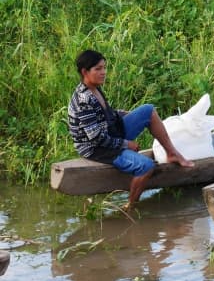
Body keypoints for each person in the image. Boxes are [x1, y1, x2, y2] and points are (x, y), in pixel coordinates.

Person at [68, 50, 194, 207]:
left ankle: (172, 153)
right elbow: (96, 138)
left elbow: (106, 114)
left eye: (104, 68)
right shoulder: (83, 100)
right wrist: (126, 144)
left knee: (148, 111)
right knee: (146, 166)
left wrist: (125, 114)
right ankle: (130, 206)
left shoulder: (94, 88)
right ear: (85, 72)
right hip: (97, 149)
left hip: (110, 132)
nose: (104, 72)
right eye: (98, 69)